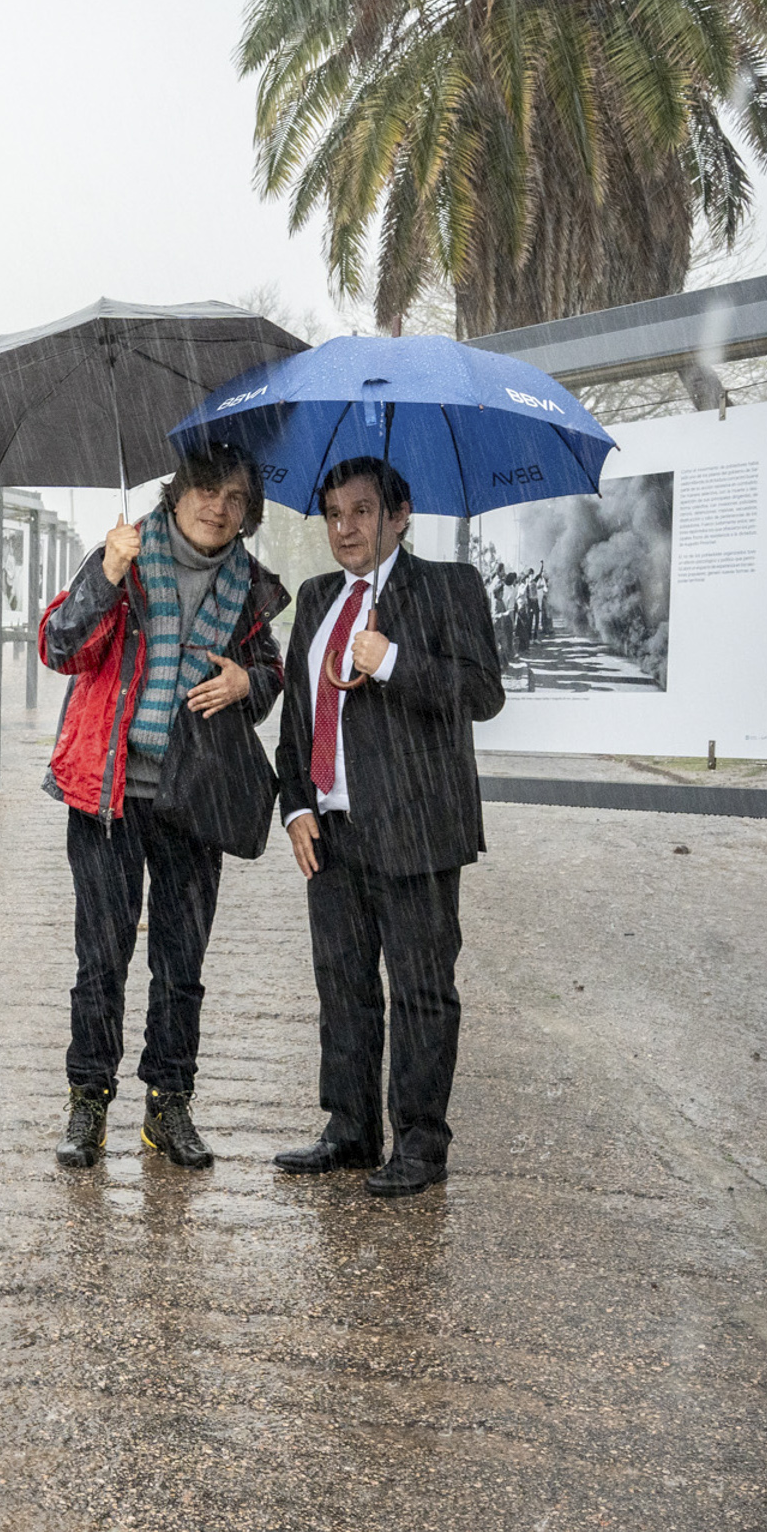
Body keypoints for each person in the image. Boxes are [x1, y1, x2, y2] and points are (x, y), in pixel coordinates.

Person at [38, 440, 290, 1170]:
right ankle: (87, 1103)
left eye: (234, 497)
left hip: (193, 797)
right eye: (205, 489)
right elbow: (60, 648)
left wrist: (250, 685)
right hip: (106, 795)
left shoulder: (247, 588)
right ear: (175, 493)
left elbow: (269, 670)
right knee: (101, 960)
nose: (217, 505)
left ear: (247, 515)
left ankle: (167, 1107)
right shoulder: (121, 554)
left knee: (181, 963)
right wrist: (106, 577)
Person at [270, 455, 505, 1197]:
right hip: (331, 833)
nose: (346, 528)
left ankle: (419, 1145)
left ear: (399, 515)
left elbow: (482, 692)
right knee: (342, 987)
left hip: (417, 829)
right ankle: (347, 1129)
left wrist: (394, 659)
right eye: (335, 513)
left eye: (362, 511)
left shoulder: (447, 587)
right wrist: (296, 806)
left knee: (420, 991)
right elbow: (298, 715)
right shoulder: (313, 599)